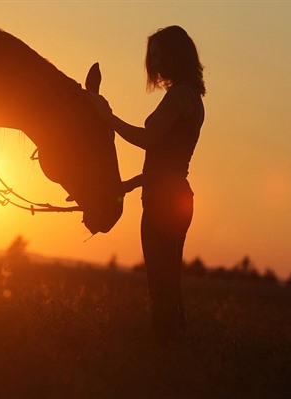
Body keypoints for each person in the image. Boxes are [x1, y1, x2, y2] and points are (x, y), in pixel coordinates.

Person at [90, 25, 205, 342]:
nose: (154, 62)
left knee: (160, 285)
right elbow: (171, 163)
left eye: (158, 54)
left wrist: (106, 116)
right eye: (151, 56)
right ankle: (172, 350)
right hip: (174, 195)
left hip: (163, 202)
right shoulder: (192, 97)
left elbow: (148, 139)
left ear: (175, 55)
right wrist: (132, 183)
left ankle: (164, 352)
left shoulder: (179, 95)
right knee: (169, 282)